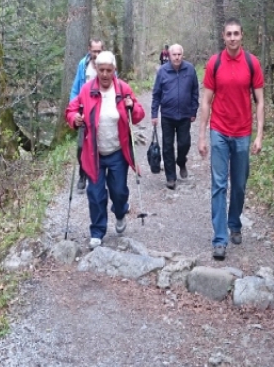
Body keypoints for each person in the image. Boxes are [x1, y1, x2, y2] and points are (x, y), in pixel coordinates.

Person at [198, 19, 264, 261]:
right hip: (219, 131)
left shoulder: (252, 63)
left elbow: (260, 101)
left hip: (243, 132)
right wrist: (202, 135)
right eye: (229, 34)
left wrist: (259, 134)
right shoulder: (214, 64)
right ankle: (220, 238)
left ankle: (235, 222)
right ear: (223, 37)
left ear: (242, 36)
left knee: (239, 184)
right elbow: (206, 101)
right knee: (218, 184)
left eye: (237, 33)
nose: (233, 38)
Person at [66, 51, 145, 249]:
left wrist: (132, 105)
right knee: (95, 193)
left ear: (114, 70)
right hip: (94, 153)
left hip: (118, 151)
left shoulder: (123, 89)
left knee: (119, 191)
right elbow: (71, 109)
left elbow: (138, 115)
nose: (104, 74)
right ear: (96, 70)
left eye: (108, 70)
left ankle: (120, 212)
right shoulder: (86, 90)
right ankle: (97, 231)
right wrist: (74, 118)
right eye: (101, 70)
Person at [151, 43, 199, 190]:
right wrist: (154, 114)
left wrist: (193, 110)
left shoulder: (190, 69)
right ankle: (170, 177)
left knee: (184, 143)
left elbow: (195, 91)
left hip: (185, 115)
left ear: (182, 55)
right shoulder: (163, 72)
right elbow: (156, 94)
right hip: (167, 115)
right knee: (167, 147)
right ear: (169, 55)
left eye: (179, 54)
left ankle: (181, 161)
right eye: (174, 54)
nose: (177, 57)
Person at [69, 39, 105, 192]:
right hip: (84, 111)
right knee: (80, 146)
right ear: (89, 50)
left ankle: (98, 175)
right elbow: (76, 88)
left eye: (99, 51)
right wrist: (74, 110)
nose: (96, 54)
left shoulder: (107, 64)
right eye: (94, 51)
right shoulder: (83, 65)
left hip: (102, 111)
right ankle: (82, 174)